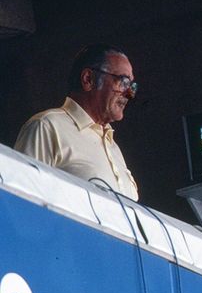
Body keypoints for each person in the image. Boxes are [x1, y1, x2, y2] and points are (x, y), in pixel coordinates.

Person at [14, 44, 139, 199]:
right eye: (124, 82)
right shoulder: (47, 126)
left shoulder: (114, 148)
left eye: (132, 86)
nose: (129, 94)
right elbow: (23, 200)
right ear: (88, 79)